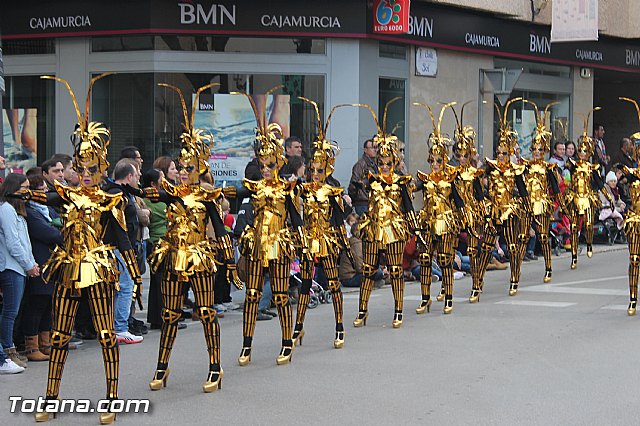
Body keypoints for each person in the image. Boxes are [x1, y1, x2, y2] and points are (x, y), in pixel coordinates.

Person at [28, 73, 142, 424]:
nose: (86, 172)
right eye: (81, 166)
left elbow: (123, 239)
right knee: (60, 335)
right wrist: (21, 193)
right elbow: (42, 195)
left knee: (107, 333)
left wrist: (135, 277)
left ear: (102, 165)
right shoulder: (66, 195)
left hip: (99, 268)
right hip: (68, 267)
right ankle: (50, 396)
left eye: (92, 166)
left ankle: (111, 396)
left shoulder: (112, 199)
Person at [132, 83, 241, 393]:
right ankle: (162, 367)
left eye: (188, 167)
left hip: (200, 257)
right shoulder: (170, 193)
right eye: (180, 166)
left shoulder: (207, 195)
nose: (181, 171)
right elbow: (144, 191)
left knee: (206, 313)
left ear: (200, 168)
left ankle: (215, 367)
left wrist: (230, 265)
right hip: (173, 256)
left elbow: (220, 230)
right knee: (169, 314)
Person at [234, 87, 303, 366]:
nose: (265, 168)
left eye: (270, 164)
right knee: (251, 295)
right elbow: (242, 202)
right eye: (262, 164)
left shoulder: (287, 188)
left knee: (280, 295)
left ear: (279, 163)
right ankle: (246, 345)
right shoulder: (254, 187)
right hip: (257, 242)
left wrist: (302, 244)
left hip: (279, 243)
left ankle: (287, 342)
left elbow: (295, 218)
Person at [353, 100, 419, 329]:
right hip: (373, 226)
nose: (383, 166)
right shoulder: (371, 179)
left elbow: (409, 206)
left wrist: (415, 227)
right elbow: (356, 190)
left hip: (393, 227)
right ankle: (362, 310)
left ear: (395, 161)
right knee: (368, 269)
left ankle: (398, 310)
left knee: (395, 269)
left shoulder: (401, 181)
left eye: (387, 162)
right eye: (380, 162)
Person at [292, 99, 350, 349]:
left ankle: (339, 326)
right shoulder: (302, 189)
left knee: (333, 282)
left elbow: (339, 219)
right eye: (312, 169)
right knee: (305, 282)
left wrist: (344, 244)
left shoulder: (333, 190)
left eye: (319, 169)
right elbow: (295, 215)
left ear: (328, 168)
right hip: (308, 240)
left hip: (327, 240)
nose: (314, 173)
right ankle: (298, 326)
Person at [412, 102, 465, 314]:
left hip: (445, 222)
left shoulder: (451, 178)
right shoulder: (424, 179)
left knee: (445, 259)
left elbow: (459, 201)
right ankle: (425, 298)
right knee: (425, 258)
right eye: (432, 160)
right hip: (427, 222)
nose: (435, 163)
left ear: (444, 160)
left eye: (438, 160)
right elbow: (411, 190)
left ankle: (449, 297)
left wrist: (464, 221)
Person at [476, 98, 529, 297]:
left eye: (504, 153)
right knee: (486, 246)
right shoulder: (490, 166)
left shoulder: (515, 170)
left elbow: (523, 193)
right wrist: (482, 200)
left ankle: (514, 279)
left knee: (513, 246)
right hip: (493, 209)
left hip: (509, 210)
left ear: (510, 153)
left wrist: (526, 219)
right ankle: (477, 283)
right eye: (498, 152)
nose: (500, 156)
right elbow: (475, 178)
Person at [447, 102, 489, 303]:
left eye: (465, 155)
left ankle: (476, 284)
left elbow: (480, 194)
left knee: (472, 250)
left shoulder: (474, 173)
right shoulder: (450, 172)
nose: (462, 158)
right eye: (458, 155)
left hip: (472, 212)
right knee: (448, 249)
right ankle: (447, 287)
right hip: (454, 213)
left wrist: (485, 214)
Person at [519, 101, 563, 283]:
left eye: (540, 150)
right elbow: (520, 186)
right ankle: (516, 270)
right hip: (527, 203)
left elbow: (555, 188)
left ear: (544, 151)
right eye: (535, 149)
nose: (537, 152)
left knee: (544, 237)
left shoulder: (549, 168)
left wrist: (562, 206)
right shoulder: (525, 167)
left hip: (542, 204)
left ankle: (548, 266)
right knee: (522, 236)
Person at [565, 111, 613, 270]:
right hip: (575, 196)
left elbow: (599, 184)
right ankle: (573, 256)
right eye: (580, 150)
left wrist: (609, 197)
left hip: (587, 197)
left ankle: (590, 243)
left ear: (590, 152)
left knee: (589, 223)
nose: (582, 153)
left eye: (585, 151)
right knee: (573, 226)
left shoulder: (593, 168)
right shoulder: (573, 165)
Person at [0, 173, 39, 369]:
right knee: (10, 311)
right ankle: (7, 351)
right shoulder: (6, 209)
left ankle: (9, 349)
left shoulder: (17, 211)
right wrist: (28, 264)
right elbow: (13, 243)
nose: (27, 192)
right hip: (10, 267)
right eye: (23, 188)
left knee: (13, 311)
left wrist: (31, 263)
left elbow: (25, 242)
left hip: (20, 267)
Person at [23, 175, 63, 362]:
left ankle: (46, 343)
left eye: (46, 190)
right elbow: (49, 233)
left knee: (49, 303)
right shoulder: (30, 211)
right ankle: (32, 346)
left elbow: (61, 225)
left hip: (53, 262)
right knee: (37, 304)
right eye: (41, 190)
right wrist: (59, 230)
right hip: (40, 261)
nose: (45, 194)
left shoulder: (48, 209)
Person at [105, 160, 144, 344]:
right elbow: (119, 228)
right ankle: (120, 328)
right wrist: (127, 250)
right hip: (119, 249)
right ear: (129, 176)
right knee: (126, 286)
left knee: (121, 288)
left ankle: (117, 326)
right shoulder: (117, 195)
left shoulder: (119, 193)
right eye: (136, 175)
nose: (139, 178)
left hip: (121, 247)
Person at [348, 138, 378, 216]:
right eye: (372, 148)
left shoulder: (376, 164)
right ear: (365, 150)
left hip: (372, 201)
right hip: (362, 202)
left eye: (376, 147)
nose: (375, 150)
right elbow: (354, 185)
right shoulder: (361, 164)